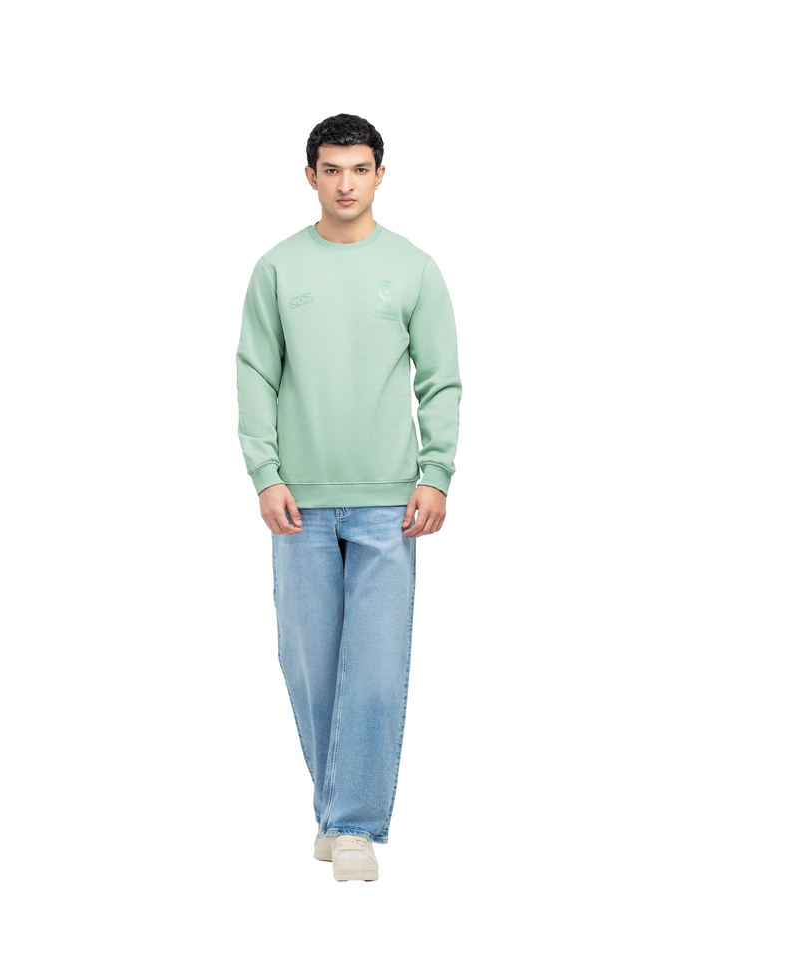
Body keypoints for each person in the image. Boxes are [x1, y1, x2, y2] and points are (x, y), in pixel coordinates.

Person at [235, 113, 462, 882]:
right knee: (310, 667)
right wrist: (265, 473)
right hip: (297, 499)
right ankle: (338, 810)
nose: (344, 183)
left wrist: (436, 473)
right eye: (330, 169)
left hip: (388, 501)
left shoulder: (414, 268)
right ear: (311, 176)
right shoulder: (276, 268)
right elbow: (255, 373)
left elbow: (442, 381)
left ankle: (351, 828)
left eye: (359, 168)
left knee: (374, 669)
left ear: (379, 175)